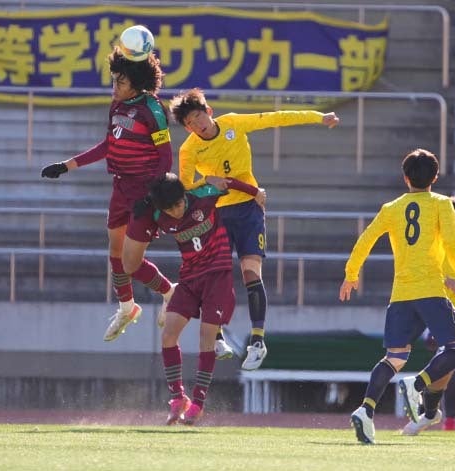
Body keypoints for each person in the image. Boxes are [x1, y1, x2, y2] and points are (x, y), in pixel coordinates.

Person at [169, 88, 339, 369]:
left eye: (198, 116)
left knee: (251, 272)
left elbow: (276, 118)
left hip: (248, 210)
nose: (196, 125)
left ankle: (258, 340)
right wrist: (208, 181)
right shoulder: (189, 149)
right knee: (215, 276)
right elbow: (186, 188)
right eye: (189, 123)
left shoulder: (234, 123)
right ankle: (219, 337)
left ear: (208, 112)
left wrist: (319, 117)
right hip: (216, 214)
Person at [41, 44, 176, 343]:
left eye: (120, 81)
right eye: (113, 79)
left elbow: (166, 157)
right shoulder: (117, 106)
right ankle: (127, 307)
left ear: (137, 82)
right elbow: (108, 145)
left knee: (131, 262)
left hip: (145, 191)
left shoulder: (152, 110)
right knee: (115, 253)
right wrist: (67, 165)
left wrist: (153, 196)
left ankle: (170, 291)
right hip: (121, 186)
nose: (114, 86)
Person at [339, 148, 455, 445]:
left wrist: (351, 274)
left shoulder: (391, 207)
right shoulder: (442, 204)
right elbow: (454, 244)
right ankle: (417, 384)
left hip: (401, 294)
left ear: (405, 178)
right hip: (431, 291)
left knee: (394, 357)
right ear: (435, 176)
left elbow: (366, 238)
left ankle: (366, 410)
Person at [132, 172, 262, 425]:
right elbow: (145, 212)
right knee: (169, 334)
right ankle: (178, 398)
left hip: (217, 277)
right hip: (190, 279)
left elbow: (227, 182)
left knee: (207, 337)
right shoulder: (161, 216)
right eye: (170, 208)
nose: (177, 211)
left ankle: (199, 403)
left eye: (179, 204)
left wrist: (255, 193)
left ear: (184, 196)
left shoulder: (203, 196)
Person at [401, 196, 455, 435]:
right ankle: (428, 412)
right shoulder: (435, 248)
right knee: (450, 360)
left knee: (450, 359)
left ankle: (419, 393)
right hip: (448, 315)